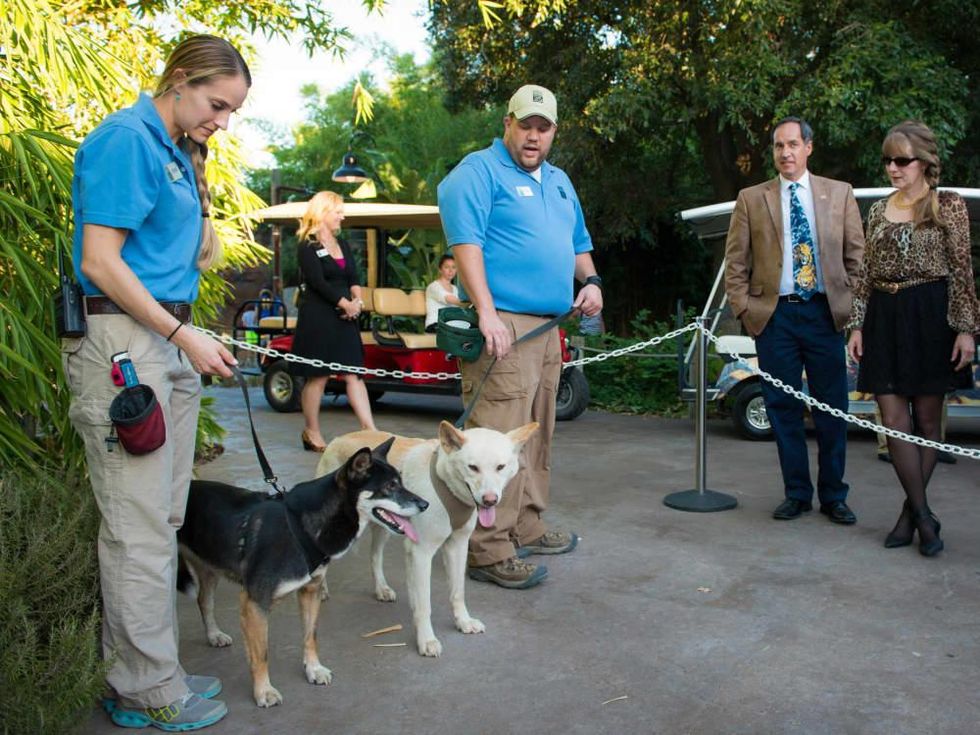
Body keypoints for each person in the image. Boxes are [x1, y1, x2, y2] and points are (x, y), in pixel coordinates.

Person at [64, 34, 249, 730]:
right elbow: (102, 261)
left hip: (167, 341)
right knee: (137, 525)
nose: (222, 121)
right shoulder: (127, 139)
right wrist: (181, 336)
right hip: (126, 345)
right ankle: (145, 686)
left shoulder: (175, 151)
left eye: (231, 111)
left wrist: (187, 337)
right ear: (179, 80)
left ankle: (142, 672)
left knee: (163, 517)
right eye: (216, 104)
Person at [437, 84, 603, 589]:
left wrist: (591, 281)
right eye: (525, 125)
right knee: (494, 438)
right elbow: (466, 244)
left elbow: (576, 242)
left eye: (543, 127)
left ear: (554, 132)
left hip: (549, 327)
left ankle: (525, 524)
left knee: (534, 433)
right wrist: (486, 312)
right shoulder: (478, 171)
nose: (534, 136)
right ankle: (487, 551)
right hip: (503, 321)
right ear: (507, 123)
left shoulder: (558, 181)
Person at [847, 120, 978, 556]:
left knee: (926, 422)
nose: (892, 168)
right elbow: (863, 275)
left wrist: (965, 330)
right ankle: (924, 516)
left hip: (930, 315)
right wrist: (857, 324)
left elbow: (962, 271)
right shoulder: (878, 210)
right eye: (887, 160)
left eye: (901, 160)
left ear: (924, 162)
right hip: (885, 315)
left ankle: (910, 515)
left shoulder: (948, 206)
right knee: (891, 416)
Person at [724, 116, 864, 525]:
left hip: (824, 314)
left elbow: (857, 259)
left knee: (832, 408)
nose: (785, 153)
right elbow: (736, 264)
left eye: (792, 144)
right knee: (782, 407)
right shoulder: (752, 198)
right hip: (774, 317)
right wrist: (748, 313)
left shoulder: (839, 194)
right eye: (778, 146)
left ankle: (834, 496)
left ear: (808, 147)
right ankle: (797, 494)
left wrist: (852, 312)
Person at [290, 191, 376, 452]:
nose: (342, 216)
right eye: (338, 211)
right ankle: (312, 432)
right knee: (318, 376)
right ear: (323, 212)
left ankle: (371, 430)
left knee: (354, 374)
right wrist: (345, 304)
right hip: (319, 315)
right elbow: (318, 282)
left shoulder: (344, 245)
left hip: (345, 316)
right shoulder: (308, 245)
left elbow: (353, 277)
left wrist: (357, 303)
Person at [424, 253, 462, 332]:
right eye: (447, 267)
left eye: (454, 267)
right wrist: (475, 302)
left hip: (450, 324)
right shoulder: (434, 286)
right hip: (435, 324)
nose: (450, 270)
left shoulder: (455, 289)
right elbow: (452, 300)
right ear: (440, 269)